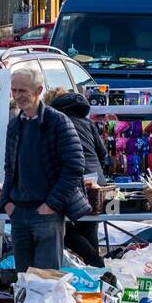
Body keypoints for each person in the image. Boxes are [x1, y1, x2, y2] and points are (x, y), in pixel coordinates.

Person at [2, 64, 89, 271]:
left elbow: (75, 166)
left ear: (39, 90)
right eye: (14, 90)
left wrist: (51, 204)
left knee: (47, 282)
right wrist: (6, 201)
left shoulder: (58, 121)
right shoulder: (14, 125)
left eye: (22, 90)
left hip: (47, 214)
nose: (17, 96)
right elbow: (9, 168)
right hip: (19, 213)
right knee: (23, 281)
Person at [49, 86, 109, 268]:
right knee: (89, 226)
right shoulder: (87, 122)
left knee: (63, 229)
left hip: (75, 182)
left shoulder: (55, 123)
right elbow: (103, 153)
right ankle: (99, 275)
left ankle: (97, 265)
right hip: (97, 183)